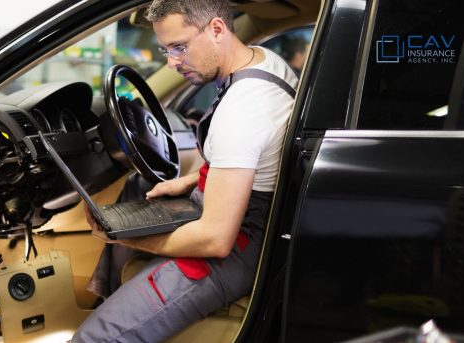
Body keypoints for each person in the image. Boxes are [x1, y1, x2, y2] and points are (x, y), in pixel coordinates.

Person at [72, 0, 298, 341]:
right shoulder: (262, 60)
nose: (174, 62)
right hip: (241, 209)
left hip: (239, 245)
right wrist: (191, 181)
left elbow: (216, 240)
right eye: (166, 50)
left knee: (95, 337)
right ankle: (115, 298)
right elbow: (260, 157)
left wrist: (134, 237)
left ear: (218, 29)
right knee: (137, 188)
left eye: (180, 47)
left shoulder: (243, 110)